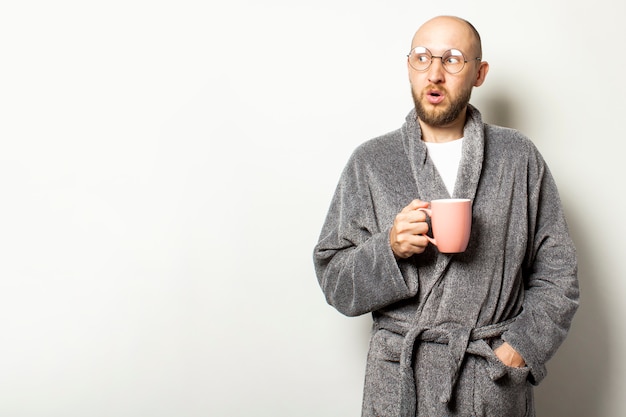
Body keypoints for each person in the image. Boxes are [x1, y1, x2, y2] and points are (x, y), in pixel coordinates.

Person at [313, 15, 579, 417]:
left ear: (479, 73)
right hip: (400, 387)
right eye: (422, 57)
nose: (434, 73)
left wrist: (518, 351)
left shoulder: (517, 158)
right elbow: (334, 279)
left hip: (488, 383)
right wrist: (388, 250)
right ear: (409, 67)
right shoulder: (371, 163)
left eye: (453, 59)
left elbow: (558, 273)